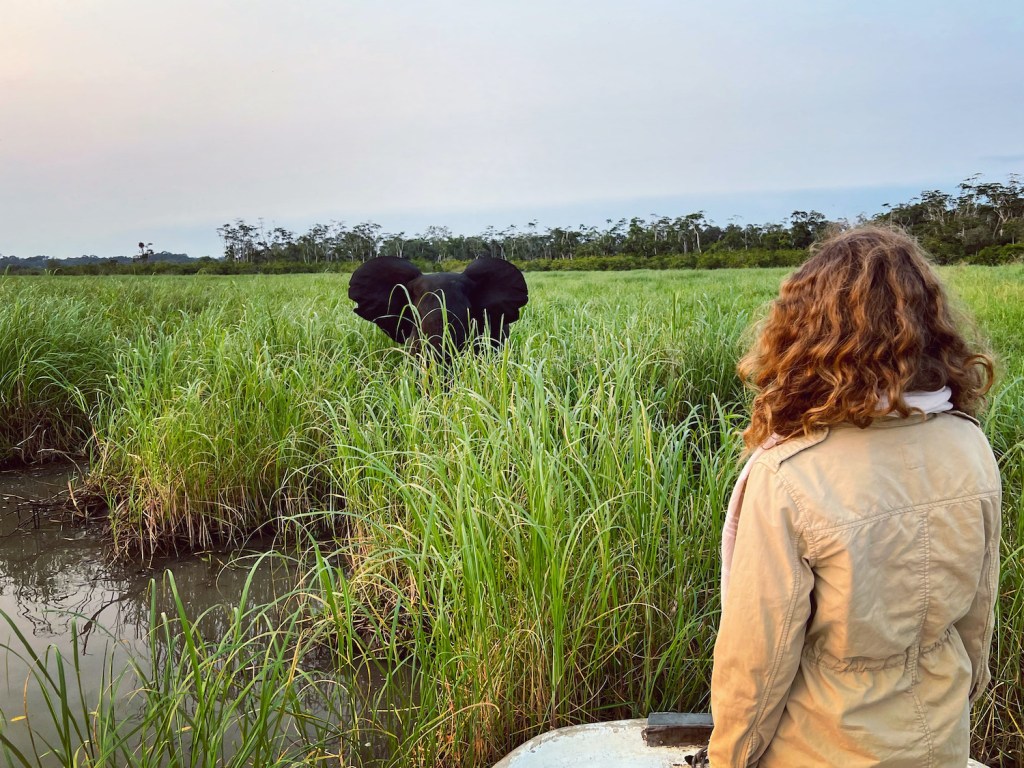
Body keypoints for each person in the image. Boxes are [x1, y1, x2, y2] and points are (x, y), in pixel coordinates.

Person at [706, 226, 1001, 767]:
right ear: (929, 325)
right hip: (941, 737)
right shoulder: (969, 442)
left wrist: (730, 757)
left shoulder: (788, 473)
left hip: (825, 746)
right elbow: (978, 612)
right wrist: (958, 697)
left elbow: (758, 658)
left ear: (804, 331)